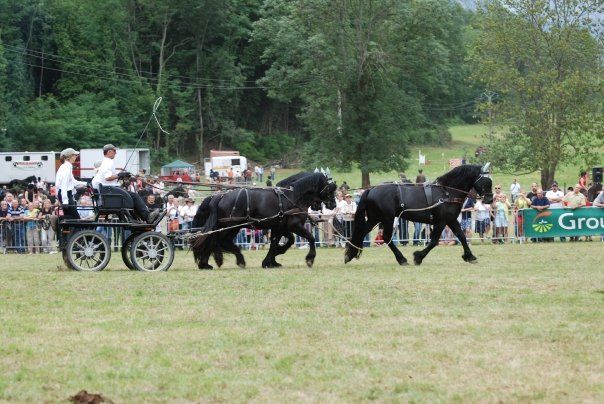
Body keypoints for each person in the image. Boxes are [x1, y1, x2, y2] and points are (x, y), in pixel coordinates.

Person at [91, 144, 159, 224]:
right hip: (109, 191)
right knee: (134, 196)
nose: (115, 153)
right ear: (109, 152)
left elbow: (108, 178)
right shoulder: (108, 162)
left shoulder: (105, 162)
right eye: (114, 151)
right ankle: (147, 216)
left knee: (132, 196)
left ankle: (141, 217)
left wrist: (120, 175)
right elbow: (108, 177)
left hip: (108, 190)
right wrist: (119, 175)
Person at [55, 148, 88, 220]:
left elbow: (73, 181)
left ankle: (62, 225)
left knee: (70, 218)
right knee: (76, 218)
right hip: (66, 194)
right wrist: (65, 200)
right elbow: (64, 184)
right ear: (69, 157)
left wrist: (86, 183)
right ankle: (56, 219)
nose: (76, 157)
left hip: (65, 194)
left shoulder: (66, 166)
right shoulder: (66, 167)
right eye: (75, 155)